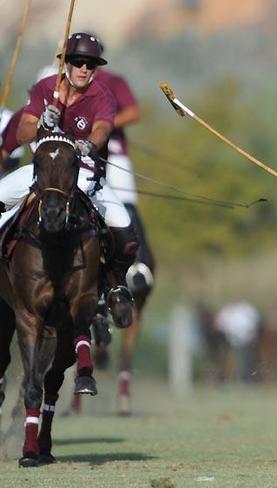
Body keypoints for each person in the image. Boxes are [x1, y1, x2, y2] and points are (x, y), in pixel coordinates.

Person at [0, 33, 140, 391]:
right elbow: (24, 127)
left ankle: (114, 287)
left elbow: (104, 127)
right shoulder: (47, 88)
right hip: (43, 176)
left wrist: (90, 145)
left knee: (124, 228)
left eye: (89, 63)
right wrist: (43, 121)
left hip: (85, 176)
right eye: (77, 62)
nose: (82, 68)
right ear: (66, 62)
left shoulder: (101, 96)